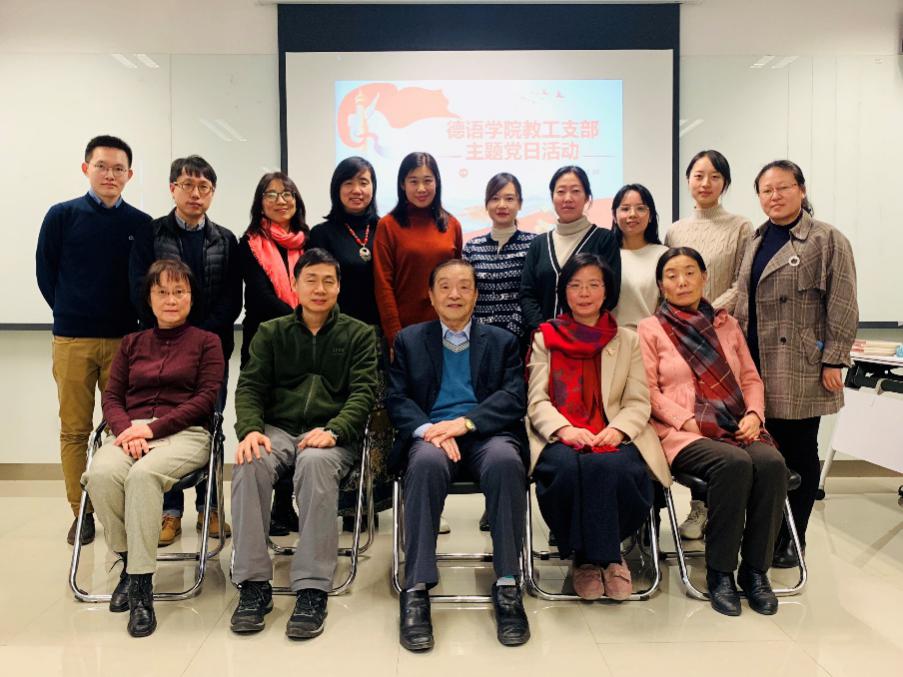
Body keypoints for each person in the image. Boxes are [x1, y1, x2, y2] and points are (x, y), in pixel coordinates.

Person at [229, 248, 377, 640]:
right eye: (311, 280)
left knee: (314, 462)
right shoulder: (271, 332)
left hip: (332, 434)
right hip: (277, 429)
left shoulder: (359, 334)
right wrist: (250, 430)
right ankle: (253, 584)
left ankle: (312, 588)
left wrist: (336, 429)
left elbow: (363, 393)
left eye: (329, 281)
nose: (320, 288)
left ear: (339, 287)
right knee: (250, 461)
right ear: (294, 285)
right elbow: (250, 387)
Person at [386, 259, 529, 651]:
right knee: (424, 463)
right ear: (431, 296)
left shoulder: (502, 341)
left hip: (485, 434)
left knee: (506, 462)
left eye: (464, 286)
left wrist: (465, 423)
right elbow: (396, 398)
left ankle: (508, 584)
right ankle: (416, 587)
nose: (455, 294)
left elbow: (513, 397)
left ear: (476, 295)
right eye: (445, 286)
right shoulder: (409, 341)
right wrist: (429, 430)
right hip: (432, 437)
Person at [638, 247, 787, 616]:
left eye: (690, 272)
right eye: (672, 275)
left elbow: (750, 379)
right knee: (733, 464)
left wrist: (754, 414)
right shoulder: (650, 328)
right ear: (661, 284)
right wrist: (686, 420)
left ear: (704, 277)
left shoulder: (726, 324)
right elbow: (647, 391)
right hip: (681, 432)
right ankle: (720, 572)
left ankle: (755, 572)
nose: (682, 281)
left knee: (771, 464)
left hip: (736, 424)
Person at [82, 259, 224, 637]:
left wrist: (153, 429)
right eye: (162, 292)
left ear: (192, 297)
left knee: (143, 477)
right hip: (131, 431)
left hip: (186, 433)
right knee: (100, 473)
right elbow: (112, 397)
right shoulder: (132, 343)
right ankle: (130, 563)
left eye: (179, 291)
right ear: (149, 297)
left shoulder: (208, 342)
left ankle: (141, 590)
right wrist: (127, 430)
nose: (171, 299)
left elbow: (205, 400)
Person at [733, 160, 858, 568]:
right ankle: (767, 533)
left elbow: (842, 302)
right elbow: (740, 297)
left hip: (800, 363)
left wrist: (834, 359)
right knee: (764, 454)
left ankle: (794, 537)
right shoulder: (755, 239)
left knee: (799, 451)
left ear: (801, 190)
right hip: (754, 362)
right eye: (766, 190)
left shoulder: (826, 239)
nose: (775, 196)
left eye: (783, 187)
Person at [527, 253, 669, 602]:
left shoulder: (627, 339)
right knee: (564, 468)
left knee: (613, 466)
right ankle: (588, 559)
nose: (584, 293)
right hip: (561, 434)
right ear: (564, 291)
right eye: (575, 285)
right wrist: (564, 430)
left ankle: (604, 556)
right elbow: (537, 400)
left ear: (607, 291)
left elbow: (638, 401)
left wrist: (618, 430)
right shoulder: (545, 337)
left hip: (612, 430)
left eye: (593, 285)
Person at [36, 134, 152, 545]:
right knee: (75, 430)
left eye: (118, 168)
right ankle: (80, 512)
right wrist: (71, 310)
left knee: (126, 428)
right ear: (86, 168)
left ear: (129, 175)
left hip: (125, 341)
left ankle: (120, 508)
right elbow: (46, 274)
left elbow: (144, 283)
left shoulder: (140, 224)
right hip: (73, 339)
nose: (109, 175)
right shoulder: (61, 216)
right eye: (102, 166)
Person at [130, 155, 242, 546]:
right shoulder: (150, 234)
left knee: (211, 425)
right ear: (172, 188)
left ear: (212, 192)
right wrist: (173, 331)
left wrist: (200, 339)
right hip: (161, 348)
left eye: (204, 187)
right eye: (187, 185)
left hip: (211, 351)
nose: (195, 194)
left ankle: (210, 508)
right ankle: (170, 512)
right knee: (164, 424)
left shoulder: (225, 239)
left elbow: (232, 299)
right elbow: (140, 290)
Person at [665, 151, 754, 540]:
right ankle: (699, 506)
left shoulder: (741, 227)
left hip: (720, 334)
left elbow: (742, 283)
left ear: (725, 183)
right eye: (698, 175)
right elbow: (670, 282)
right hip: (680, 339)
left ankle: (723, 507)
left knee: (719, 419)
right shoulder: (675, 230)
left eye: (714, 176)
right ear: (688, 180)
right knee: (692, 418)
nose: (705, 183)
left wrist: (706, 314)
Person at [309, 157, 393, 527]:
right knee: (340, 414)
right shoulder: (322, 233)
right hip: (337, 338)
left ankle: (371, 500)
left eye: (364, 182)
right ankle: (341, 503)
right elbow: (315, 288)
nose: (357, 190)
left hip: (378, 338)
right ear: (337, 188)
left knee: (377, 419)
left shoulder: (386, 228)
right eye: (349, 183)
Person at [238, 171, 309, 536]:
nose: (281, 200)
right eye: (272, 194)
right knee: (268, 422)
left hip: (307, 345)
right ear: (260, 202)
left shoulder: (309, 242)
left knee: (297, 420)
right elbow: (260, 297)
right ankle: (263, 506)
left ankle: (284, 504)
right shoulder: (249, 242)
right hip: (264, 343)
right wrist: (302, 318)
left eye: (288, 193)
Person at [373, 151, 463, 350]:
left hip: (447, 330)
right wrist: (394, 336)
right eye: (413, 181)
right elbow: (383, 285)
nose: (421, 188)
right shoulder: (388, 225)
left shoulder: (452, 225)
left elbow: (459, 281)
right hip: (405, 332)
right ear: (402, 184)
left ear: (437, 182)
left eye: (427, 181)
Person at [520, 165, 621, 335]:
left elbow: (611, 292)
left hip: (588, 337)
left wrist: (579, 331)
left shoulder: (604, 239)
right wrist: (543, 330)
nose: (568, 198)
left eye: (575, 191)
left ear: (587, 197)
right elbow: (527, 294)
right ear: (552, 197)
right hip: (543, 339)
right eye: (561, 192)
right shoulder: (539, 243)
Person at [462, 172, 537, 348]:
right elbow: (466, 293)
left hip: (519, 341)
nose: (502, 205)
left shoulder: (534, 244)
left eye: (509, 199)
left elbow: (534, 294)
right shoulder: (472, 247)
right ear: (486, 204)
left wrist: (511, 334)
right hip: (479, 339)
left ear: (520, 203)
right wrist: (478, 331)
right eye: (495, 198)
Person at [609, 183, 668, 330]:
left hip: (647, 338)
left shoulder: (663, 255)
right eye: (625, 209)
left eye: (640, 208)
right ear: (614, 215)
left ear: (651, 216)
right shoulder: (605, 254)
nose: (632, 214)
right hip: (609, 338)